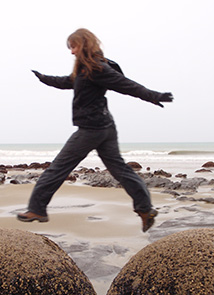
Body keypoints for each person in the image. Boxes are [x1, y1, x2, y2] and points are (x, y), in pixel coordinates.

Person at [17, 28, 173, 232]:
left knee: (58, 168)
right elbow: (67, 82)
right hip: (105, 128)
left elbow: (126, 85)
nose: (71, 52)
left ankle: (37, 209)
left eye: (73, 46)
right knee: (121, 170)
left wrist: (154, 95)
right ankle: (145, 209)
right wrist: (44, 78)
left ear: (84, 44)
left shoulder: (97, 68)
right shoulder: (85, 70)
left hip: (91, 129)